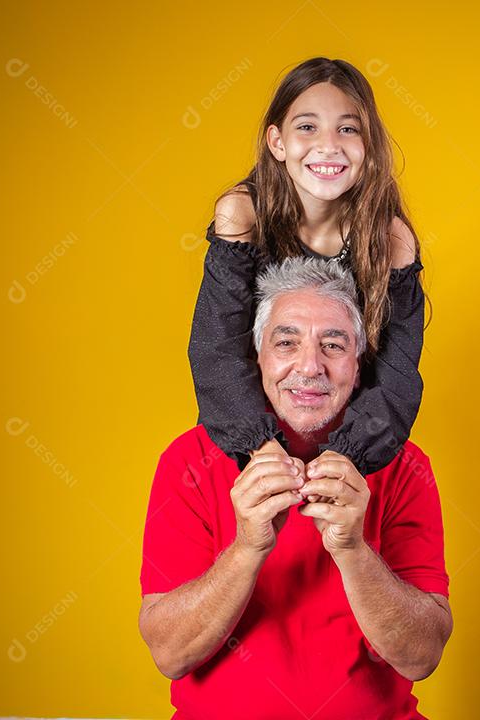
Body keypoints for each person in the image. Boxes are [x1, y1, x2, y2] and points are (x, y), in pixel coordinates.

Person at [141, 257, 451, 720]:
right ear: (257, 356)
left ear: (359, 364)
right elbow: (170, 654)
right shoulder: (188, 461)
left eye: (334, 344)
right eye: (286, 342)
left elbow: (421, 656)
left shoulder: (407, 467)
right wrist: (248, 547)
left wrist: (352, 549)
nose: (310, 365)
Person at [189, 56, 428, 479]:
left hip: (350, 446)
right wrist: (260, 450)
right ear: (277, 142)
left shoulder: (390, 239)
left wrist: (347, 457)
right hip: (250, 437)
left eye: (348, 129)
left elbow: (396, 374)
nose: (328, 145)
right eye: (307, 126)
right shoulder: (241, 215)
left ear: (368, 145)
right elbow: (216, 349)